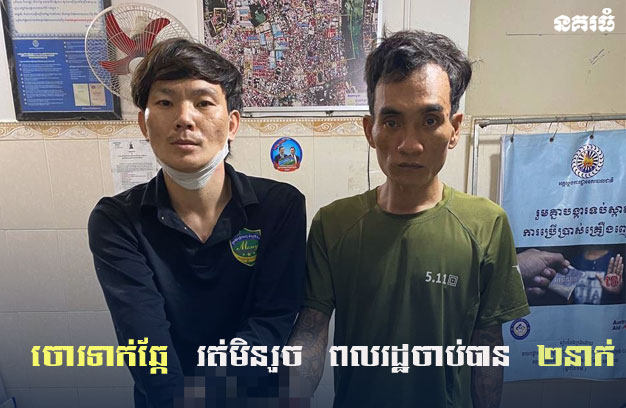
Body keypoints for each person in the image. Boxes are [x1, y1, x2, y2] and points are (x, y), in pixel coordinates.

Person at [287, 30, 530, 408]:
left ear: (455, 129)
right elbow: (311, 329)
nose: (410, 145)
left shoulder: (486, 224)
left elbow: (487, 344)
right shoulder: (333, 225)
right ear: (370, 130)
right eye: (392, 122)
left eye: (430, 120)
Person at [87, 38, 306, 407]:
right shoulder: (117, 221)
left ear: (232, 123)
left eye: (203, 102)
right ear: (144, 123)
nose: (184, 119)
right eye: (165, 102)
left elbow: (271, 322)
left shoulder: (279, 207)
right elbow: (145, 343)